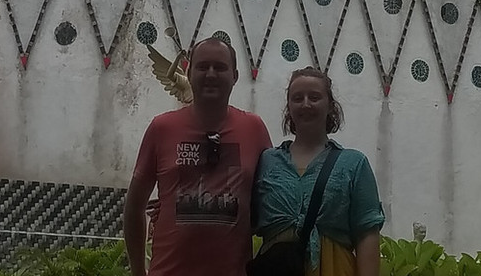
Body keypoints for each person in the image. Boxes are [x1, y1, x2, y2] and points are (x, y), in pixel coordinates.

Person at [123, 36, 272, 276]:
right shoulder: (162, 128)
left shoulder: (254, 129)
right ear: (189, 73)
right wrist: (138, 271)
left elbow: (270, 201)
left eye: (220, 67)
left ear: (234, 76)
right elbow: (134, 207)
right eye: (203, 67)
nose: (211, 74)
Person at [253, 68, 384, 276]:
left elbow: (367, 233)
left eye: (314, 97)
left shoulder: (354, 164)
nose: (306, 104)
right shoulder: (267, 161)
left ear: (330, 105)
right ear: (289, 106)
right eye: (297, 98)